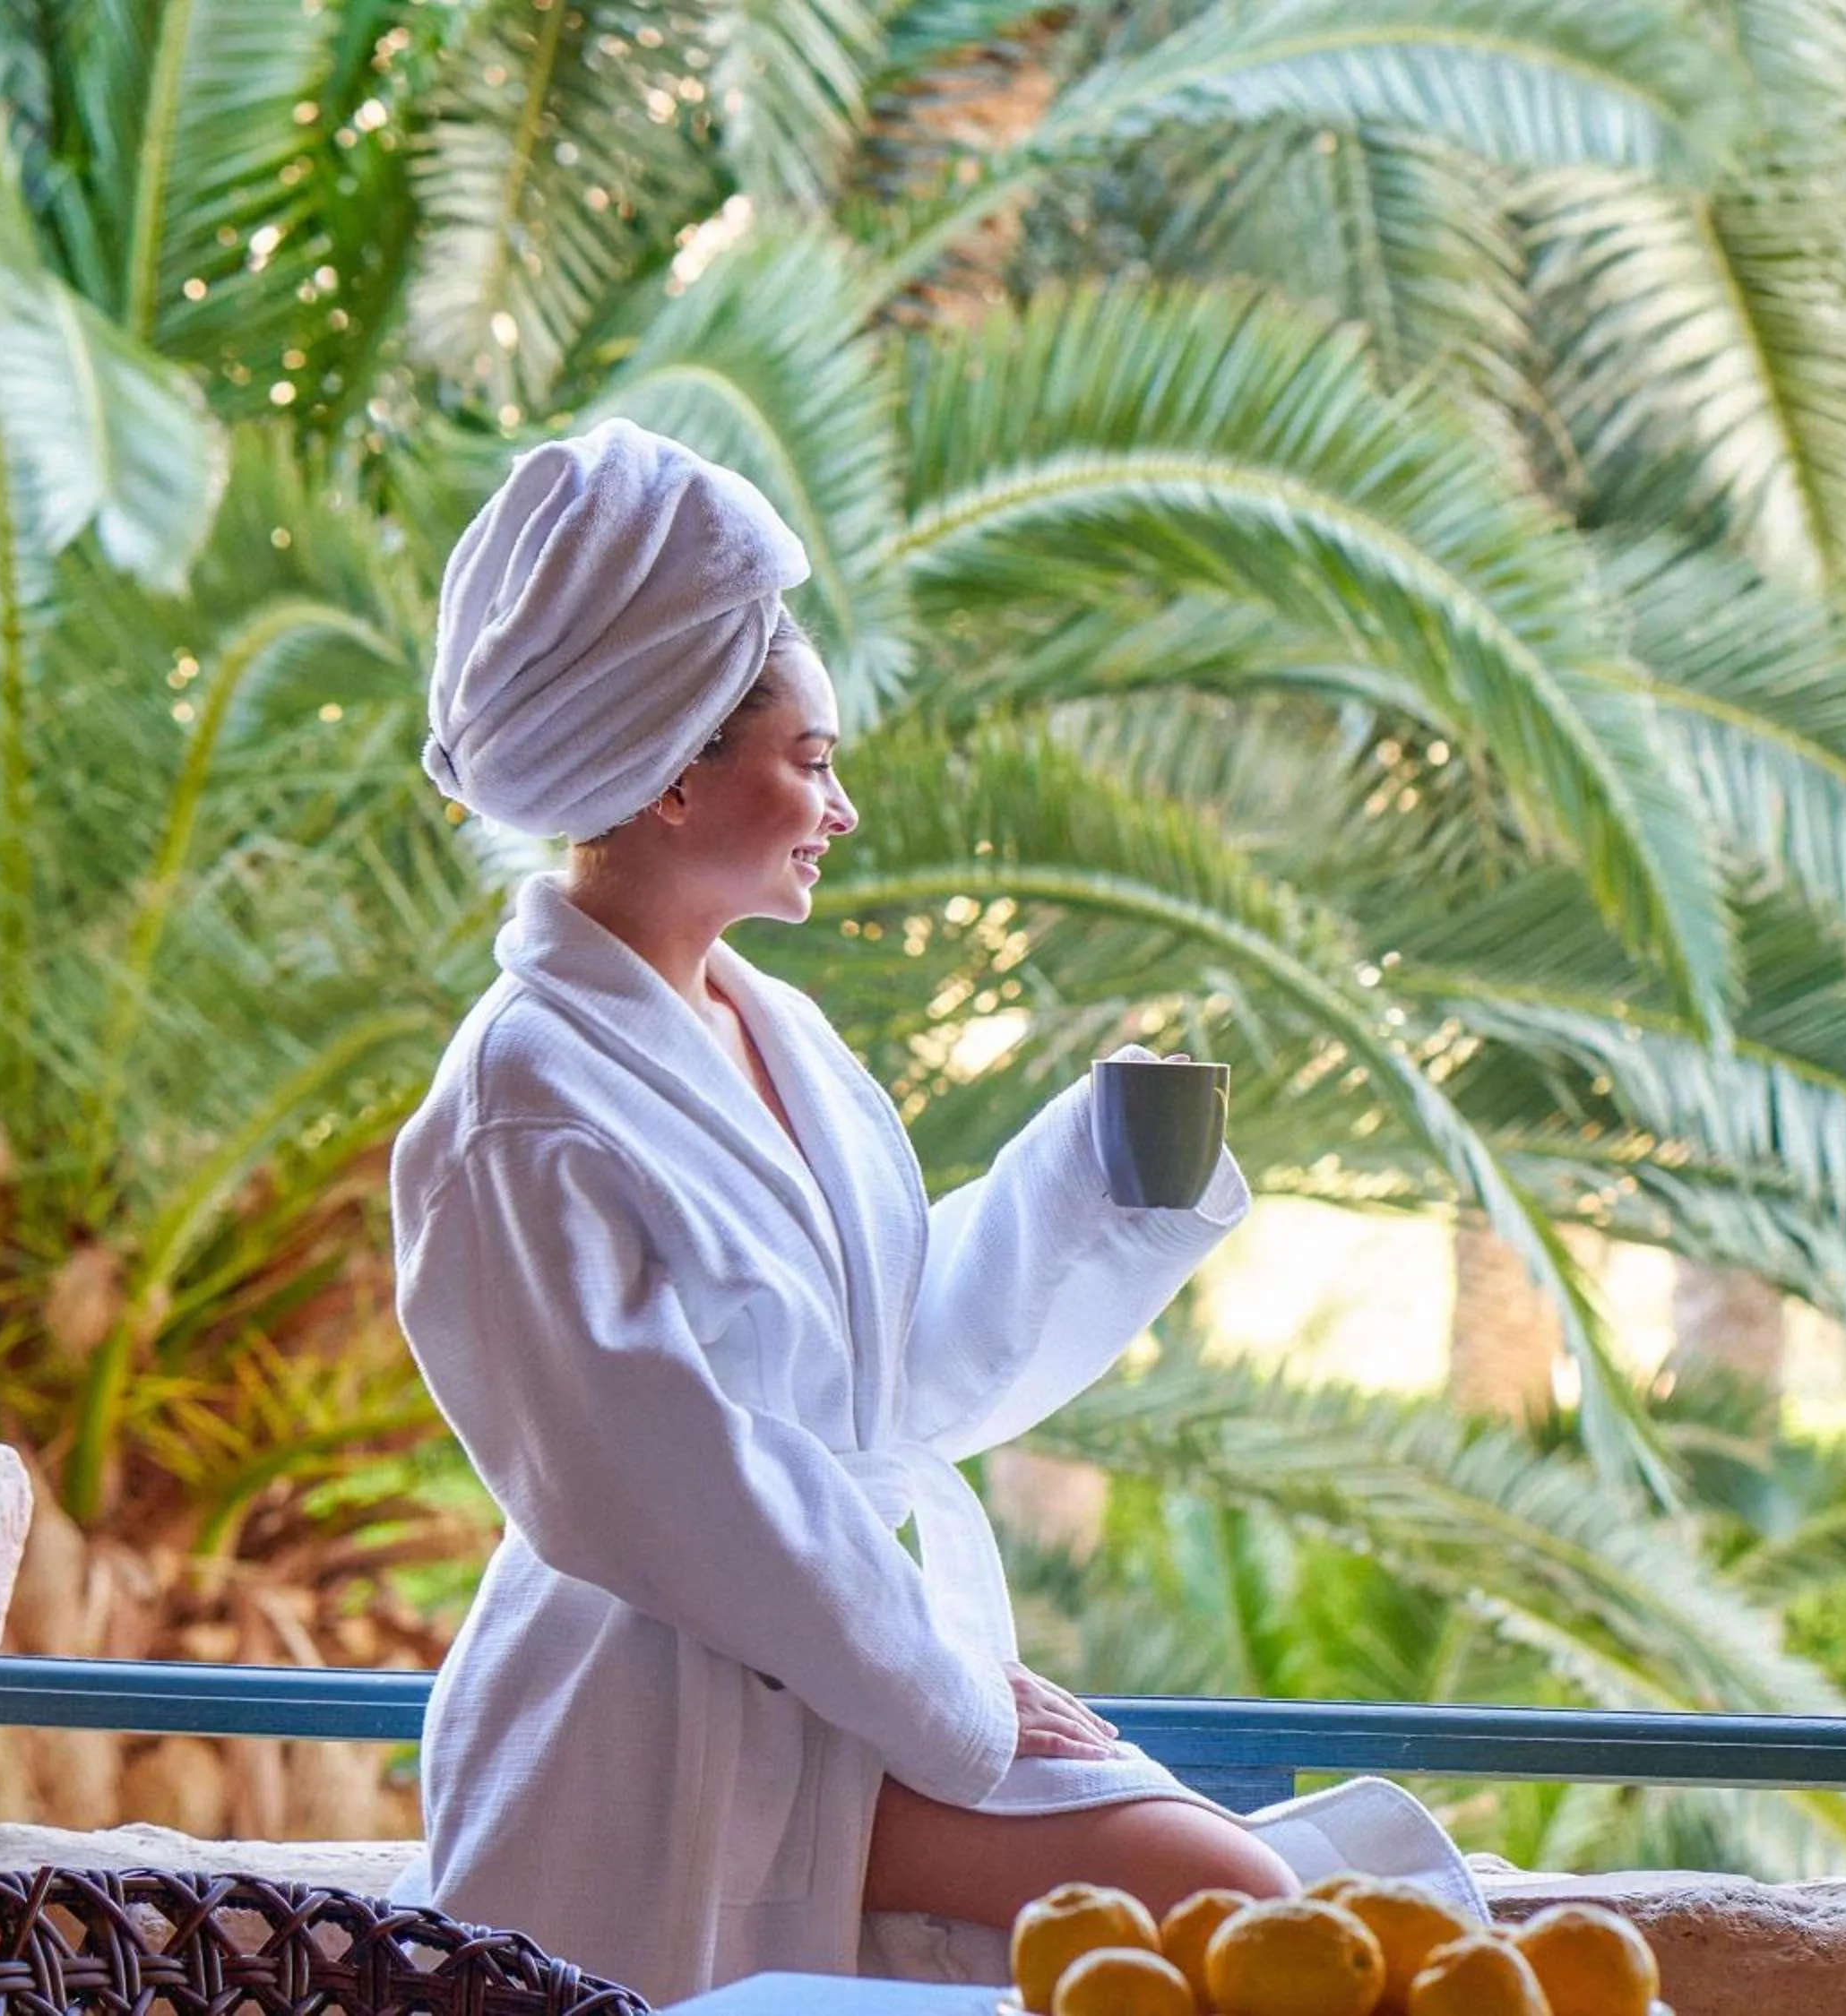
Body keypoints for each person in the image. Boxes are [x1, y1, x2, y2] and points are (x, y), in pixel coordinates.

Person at [388, 419, 1479, 2003]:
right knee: (1231, 1897)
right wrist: (951, 1696)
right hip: (669, 1718)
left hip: (839, 1666)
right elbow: (659, 1482)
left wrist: (1093, 1173)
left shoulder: (769, 1029)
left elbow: (889, 1370)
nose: (840, 808)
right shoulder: (523, 1103)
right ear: (675, 772)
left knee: (1238, 1901)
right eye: (811, 762)